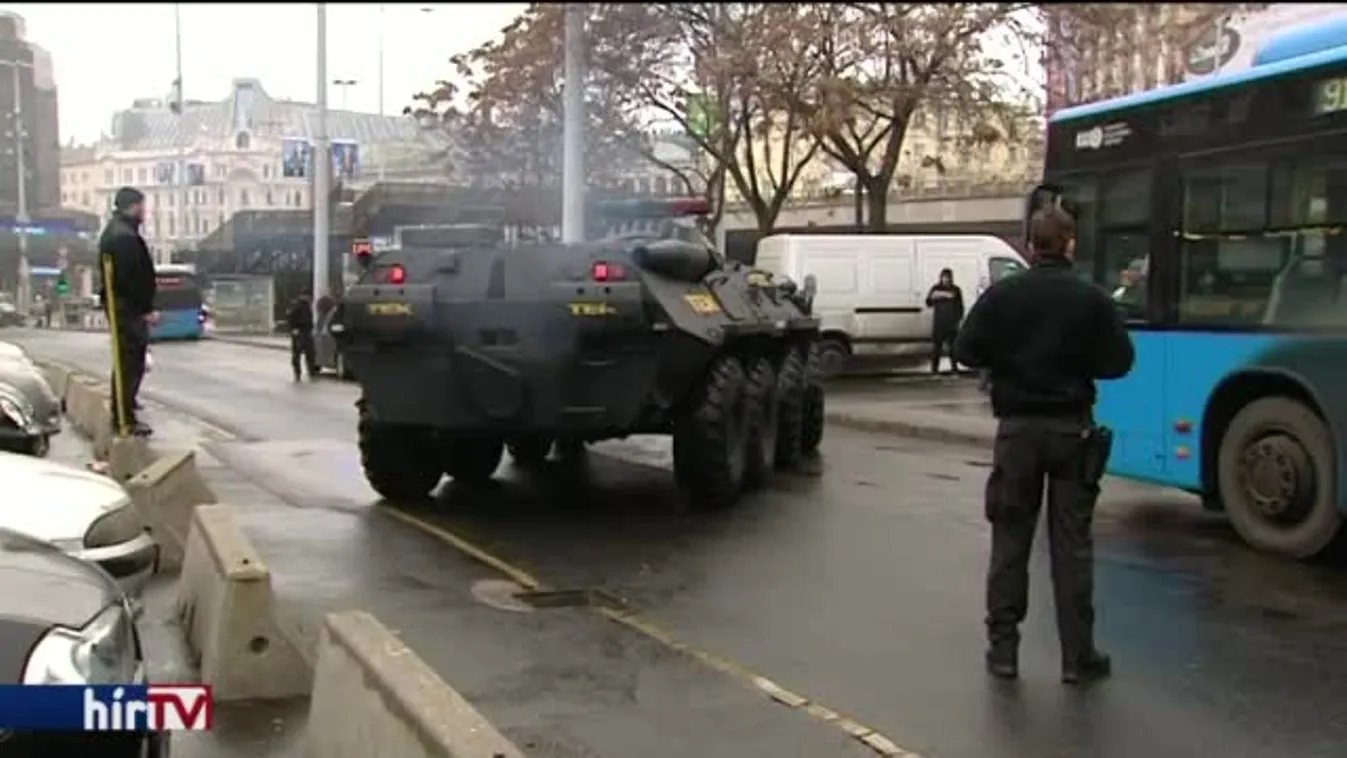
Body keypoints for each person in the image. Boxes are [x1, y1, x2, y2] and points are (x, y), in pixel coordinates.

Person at [953, 204, 1136, 685]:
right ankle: (1078, 657)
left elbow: (964, 350)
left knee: (1010, 540)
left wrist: (1006, 360)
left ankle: (1004, 651)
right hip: (1071, 431)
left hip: (1016, 433)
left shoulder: (1002, 296)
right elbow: (1120, 362)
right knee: (1072, 547)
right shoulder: (1090, 299)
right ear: (1070, 244)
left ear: (1031, 245)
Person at [98, 187, 158, 436]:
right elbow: (131, 277)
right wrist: (145, 308)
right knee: (129, 362)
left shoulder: (119, 231)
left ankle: (126, 409)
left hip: (123, 306)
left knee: (130, 361)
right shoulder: (123, 236)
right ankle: (124, 418)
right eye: (142, 206)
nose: (145, 211)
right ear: (133, 206)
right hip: (127, 309)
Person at [925, 268, 965, 375]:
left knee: (953, 348)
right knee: (937, 348)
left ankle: (954, 368)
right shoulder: (936, 288)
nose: (946, 280)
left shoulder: (956, 289)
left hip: (951, 323)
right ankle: (934, 369)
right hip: (939, 323)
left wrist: (958, 320)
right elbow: (928, 303)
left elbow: (960, 306)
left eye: (948, 277)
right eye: (944, 277)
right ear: (941, 277)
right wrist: (935, 296)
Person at [286, 294, 317, 382]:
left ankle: (302, 373)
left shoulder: (304, 306)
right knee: (305, 354)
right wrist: (294, 329)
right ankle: (303, 373)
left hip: (302, 333)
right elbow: (291, 318)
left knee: (301, 354)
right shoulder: (299, 306)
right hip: (301, 333)